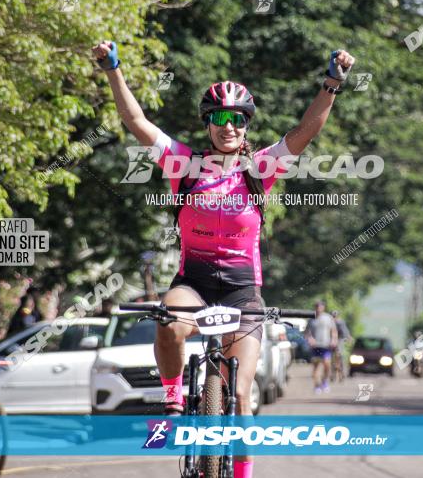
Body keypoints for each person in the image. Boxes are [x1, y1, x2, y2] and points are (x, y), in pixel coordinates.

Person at [93, 39, 354, 478]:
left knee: (242, 398)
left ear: (246, 125)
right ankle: (174, 393)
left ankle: (241, 473)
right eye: (219, 119)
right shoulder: (182, 165)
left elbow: (305, 132)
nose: (228, 126)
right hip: (193, 280)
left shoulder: (258, 170)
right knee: (170, 323)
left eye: (236, 119)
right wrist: (111, 69)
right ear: (208, 125)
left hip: (241, 289)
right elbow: (135, 121)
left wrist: (332, 83)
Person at [305, 300, 338, 393]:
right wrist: (310, 339)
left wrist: (334, 340)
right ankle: (317, 386)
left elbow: (334, 330)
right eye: (316, 306)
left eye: (320, 306)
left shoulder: (328, 318)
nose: (318, 308)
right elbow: (307, 332)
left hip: (326, 346)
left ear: (323, 307)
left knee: (327, 365)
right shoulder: (311, 319)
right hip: (315, 347)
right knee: (316, 367)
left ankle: (325, 382)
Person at [330, 310, 351, 383]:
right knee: (332, 359)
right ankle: (332, 374)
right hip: (331, 341)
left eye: (335, 316)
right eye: (333, 316)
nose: (334, 317)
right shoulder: (329, 323)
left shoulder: (340, 322)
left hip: (339, 341)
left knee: (340, 356)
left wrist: (347, 338)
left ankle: (341, 374)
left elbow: (345, 332)